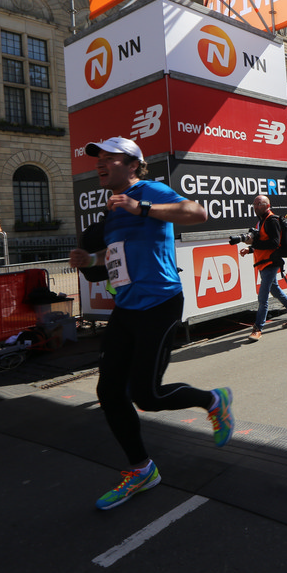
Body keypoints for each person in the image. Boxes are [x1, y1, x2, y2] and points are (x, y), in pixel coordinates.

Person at [67, 136, 232, 511]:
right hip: (126, 307)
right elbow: (116, 253)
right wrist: (89, 260)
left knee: (148, 396)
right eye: (98, 158)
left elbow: (198, 213)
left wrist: (140, 207)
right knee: (109, 392)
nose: (100, 163)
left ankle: (213, 400)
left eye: (109, 158)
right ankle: (141, 469)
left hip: (160, 303)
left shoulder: (147, 191)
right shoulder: (112, 208)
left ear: (132, 164)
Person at [240, 194, 287, 341]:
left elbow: (274, 243)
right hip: (264, 262)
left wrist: (253, 244)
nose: (255, 207)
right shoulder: (261, 221)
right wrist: (250, 249)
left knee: (262, 297)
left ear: (267, 206)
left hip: (270, 263)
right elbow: (264, 242)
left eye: (259, 204)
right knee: (275, 290)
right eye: (254, 204)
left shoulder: (272, 221)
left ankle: (258, 328)